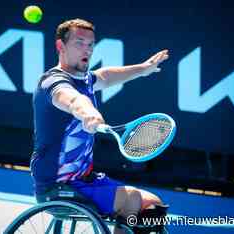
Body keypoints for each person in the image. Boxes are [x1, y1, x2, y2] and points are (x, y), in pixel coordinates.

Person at [31, 18, 169, 233]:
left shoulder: (85, 79)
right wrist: (90, 115)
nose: (87, 50)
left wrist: (143, 69)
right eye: (79, 43)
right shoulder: (52, 83)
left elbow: (105, 75)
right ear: (61, 46)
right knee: (130, 198)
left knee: (153, 206)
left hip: (85, 180)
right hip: (57, 185)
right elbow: (75, 101)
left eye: (90, 45)